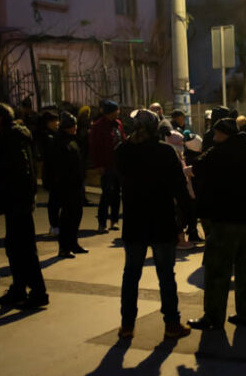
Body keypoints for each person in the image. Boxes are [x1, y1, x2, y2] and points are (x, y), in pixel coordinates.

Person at [187, 118, 246, 330]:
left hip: (223, 221)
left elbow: (198, 167)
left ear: (223, 134)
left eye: (216, 134)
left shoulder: (218, 154)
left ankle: (213, 317)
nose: (214, 138)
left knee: (217, 271)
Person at [114, 109, 193, 339]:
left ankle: (127, 325)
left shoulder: (122, 151)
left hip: (134, 221)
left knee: (131, 275)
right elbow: (179, 187)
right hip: (162, 220)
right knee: (166, 275)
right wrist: (188, 215)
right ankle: (172, 324)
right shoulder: (165, 152)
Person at [0, 103, 48, 309]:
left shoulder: (10, 139)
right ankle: (19, 289)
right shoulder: (11, 136)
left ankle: (37, 292)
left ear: (0, 119)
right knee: (16, 247)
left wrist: (15, 197)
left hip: (17, 202)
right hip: (17, 201)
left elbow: (21, 172)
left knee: (23, 248)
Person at [51, 112, 88, 258]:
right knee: (68, 216)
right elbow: (59, 166)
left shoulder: (71, 140)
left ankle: (73, 243)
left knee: (76, 214)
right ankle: (64, 247)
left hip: (75, 183)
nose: (75, 128)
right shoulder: (60, 142)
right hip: (67, 184)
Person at [90, 100, 125, 234]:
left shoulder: (118, 124)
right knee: (106, 194)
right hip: (106, 165)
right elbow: (94, 147)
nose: (117, 113)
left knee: (116, 194)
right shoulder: (98, 126)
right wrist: (98, 165)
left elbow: (122, 139)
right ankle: (102, 222)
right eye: (115, 111)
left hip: (118, 164)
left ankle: (114, 220)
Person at [37, 110, 61, 236]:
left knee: (57, 199)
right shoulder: (46, 136)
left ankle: (56, 225)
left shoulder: (55, 135)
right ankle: (54, 225)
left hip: (55, 171)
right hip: (52, 172)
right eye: (54, 121)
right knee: (54, 200)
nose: (57, 123)